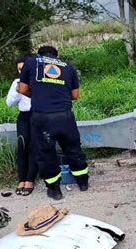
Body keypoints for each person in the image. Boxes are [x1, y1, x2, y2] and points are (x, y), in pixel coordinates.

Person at [18, 46, 89, 200]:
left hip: (42, 117)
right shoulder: (68, 66)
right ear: (57, 56)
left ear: (40, 54)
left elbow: (22, 89)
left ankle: (54, 190)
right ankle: (83, 182)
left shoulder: (31, 62)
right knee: (73, 148)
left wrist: (38, 95)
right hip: (65, 116)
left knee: (46, 153)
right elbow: (75, 95)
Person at [6, 56, 38, 196]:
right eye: (19, 69)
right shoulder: (16, 82)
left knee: (34, 147)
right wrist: (20, 91)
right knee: (22, 146)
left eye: (24, 69)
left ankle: (30, 179)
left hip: (37, 115)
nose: (21, 72)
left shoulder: (38, 80)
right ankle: (22, 178)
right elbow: (9, 103)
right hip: (24, 117)